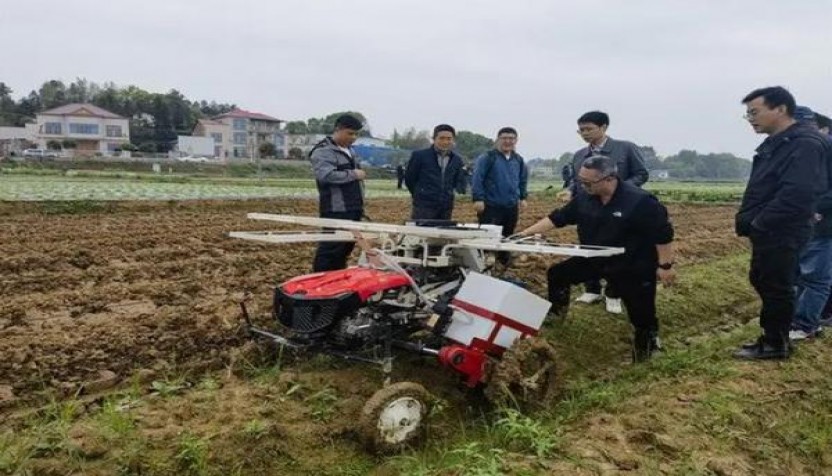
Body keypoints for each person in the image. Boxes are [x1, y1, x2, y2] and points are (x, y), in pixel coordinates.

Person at [517, 155, 675, 362]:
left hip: (633, 264)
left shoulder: (640, 202)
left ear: (610, 179)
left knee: (641, 311)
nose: (583, 185)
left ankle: (647, 347)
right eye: (581, 180)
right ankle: (556, 317)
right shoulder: (584, 197)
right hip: (595, 257)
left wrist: (665, 266)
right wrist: (522, 235)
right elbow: (558, 218)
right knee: (558, 274)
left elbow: (662, 235)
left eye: (588, 182)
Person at [733, 87, 829, 360]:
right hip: (772, 227)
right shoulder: (780, 141)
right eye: (747, 114)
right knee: (764, 279)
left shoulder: (804, 143)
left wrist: (760, 222)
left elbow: (797, 192)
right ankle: (773, 337)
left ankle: (775, 343)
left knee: (777, 284)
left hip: (782, 228)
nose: (750, 118)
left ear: (780, 109)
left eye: (755, 112)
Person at [564, 111, 650, 315]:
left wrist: (619, 191)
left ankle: (614, 292)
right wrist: (568, 191)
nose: (584, 133)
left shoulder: (625, 148)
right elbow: (576, 183)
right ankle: (592, 288)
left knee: (618, 250)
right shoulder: (579, 156)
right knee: (588, 247)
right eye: (581, 130)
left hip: (620, 209)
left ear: (603, 128)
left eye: (589, 129)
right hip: (589, 211)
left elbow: (642, 173)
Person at [790, 107, 832, 340]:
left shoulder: (825, 150)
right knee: (801, 274)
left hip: (822, 223)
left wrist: (815, 209)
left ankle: (806, 324)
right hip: (802, 224)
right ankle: (801, 320)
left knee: (815, 276)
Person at [309, 114, 366, 272]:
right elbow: (325, 175)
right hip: (336, 208)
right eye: (350, 133)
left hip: (353, 207)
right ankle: (319, 282)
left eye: (356, 134)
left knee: (345, 249)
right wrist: (354, 174)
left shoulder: (349, 151)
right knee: (331, 249)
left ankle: (336, 281)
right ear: (338, 130)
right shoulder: (323, 151)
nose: (353, 137)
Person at [471, 127, 528, 265]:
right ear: (498, 140)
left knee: (508, 232)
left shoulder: (518, 160)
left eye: (511, 138)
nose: (508, 141)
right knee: (489, 233)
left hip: (511, 204)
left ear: (516, 141)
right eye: (504, 138)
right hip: (491, 204)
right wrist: (478, 198)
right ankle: (487, 258)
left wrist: (523, 197)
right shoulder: (488, 158)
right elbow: (477, 178)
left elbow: (522, 179)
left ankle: (504, 259)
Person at [404, 124, 467, 220]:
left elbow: (455, 181)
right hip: (424, 206)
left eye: (449, 139)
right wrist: (420, 194)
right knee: (421, 233)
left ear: (453, 140)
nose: (445, 142)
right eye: (441, 138)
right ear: (434, 139)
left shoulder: (457, 160)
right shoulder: (420, 156)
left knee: (442, 233)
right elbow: (410, 179)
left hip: (446, 207)